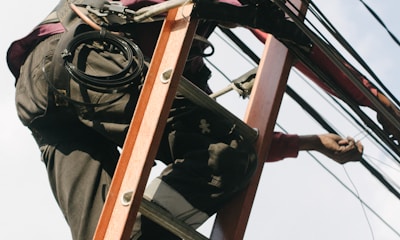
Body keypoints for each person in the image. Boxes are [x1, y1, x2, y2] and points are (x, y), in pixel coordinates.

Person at [7, 0, 363, 239]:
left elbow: (220, 137)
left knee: (106, 230)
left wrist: (309, 143)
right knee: (227, 152)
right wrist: (362, 96)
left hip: (40, 92)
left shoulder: (186, 51)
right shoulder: (176, 17)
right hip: (84, 52)